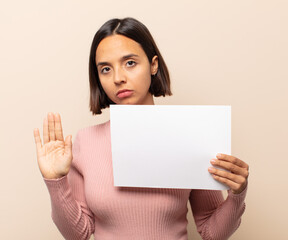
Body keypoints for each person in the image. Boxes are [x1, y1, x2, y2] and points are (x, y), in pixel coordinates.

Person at [33, 17, 249, 240]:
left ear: (153, 64)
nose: (118, 78)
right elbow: (78, 234)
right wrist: (56, 181)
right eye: (106, 69)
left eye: (130, 63)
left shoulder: (189, 134)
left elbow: (212, 233)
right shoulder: (86, 142)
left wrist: (237, 194)